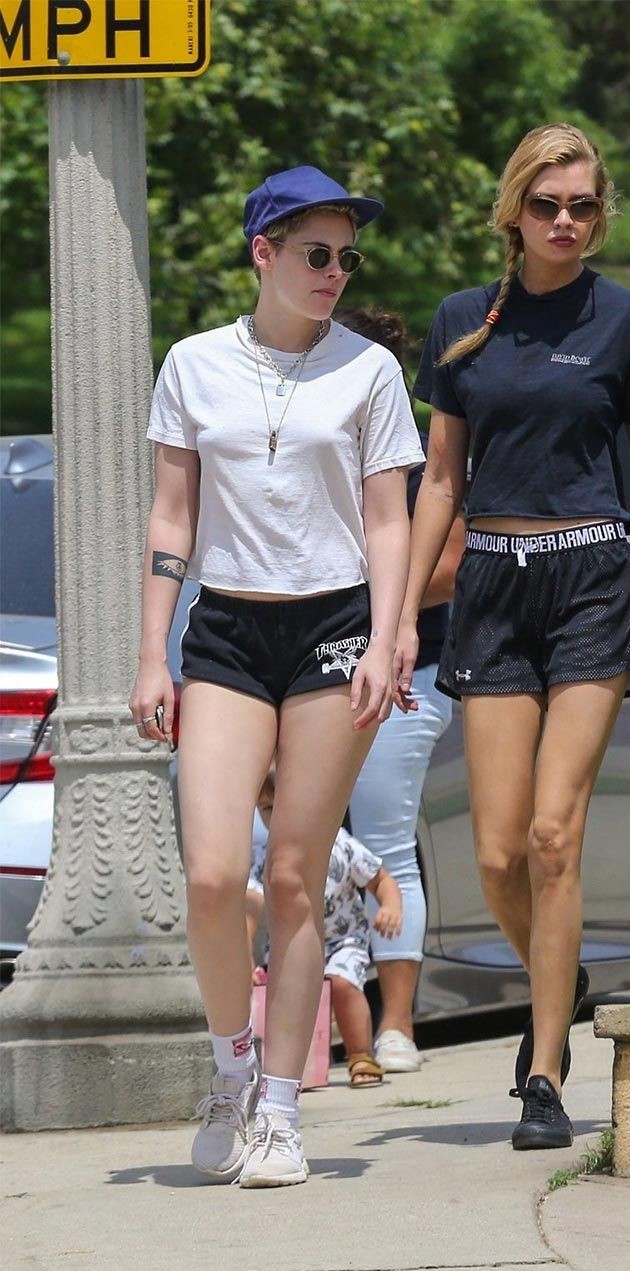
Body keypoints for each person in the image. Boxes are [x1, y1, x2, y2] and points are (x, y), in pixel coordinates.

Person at [130, 165, 424, 1188]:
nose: (335, 271)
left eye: (347, 257)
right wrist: (151, 654)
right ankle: (231, 1073)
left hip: (334, 626)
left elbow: (388, 520)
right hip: (226, 628)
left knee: (296, 874)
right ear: (264, 253)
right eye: (316, 253)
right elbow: (173, 514)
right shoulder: (193, 364)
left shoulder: (369, 371)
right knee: (216, 874)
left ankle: (285, 1114)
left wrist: (388, 636)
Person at [395, 123, 630, 1150]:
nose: (565, 221)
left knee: (552, 837)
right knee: (494, 853)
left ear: (599, 215)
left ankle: (543, 1069)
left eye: (582, 206)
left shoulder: (628, 319)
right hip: (489, 588)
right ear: (512, 211)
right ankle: (560, 979)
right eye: (546, 204)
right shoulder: (461, 321)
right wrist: (399, 616)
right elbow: (441, 479)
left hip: (592, 584)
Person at [336, 306, 465, 1074]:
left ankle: (397, 1026)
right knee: (294, 849)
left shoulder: (420, 459)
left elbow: (447, 569)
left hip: (409, 672)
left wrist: (369, 603)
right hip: (310, 667)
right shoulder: (305, 449)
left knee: (385, 845)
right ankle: (320, 1023)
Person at [246, 769, 404, 1088]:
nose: (278, 817)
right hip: (289, 946)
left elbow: (380, 878)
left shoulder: (339, 845)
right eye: (268, 808)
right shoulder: (266, 857)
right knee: (286, 1000)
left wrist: (390, 906)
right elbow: (250, 905)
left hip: (343, 941)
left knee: (343, 984)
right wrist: (245, 955)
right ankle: (298, 1069)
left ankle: (360, 1054)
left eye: (286, 806)